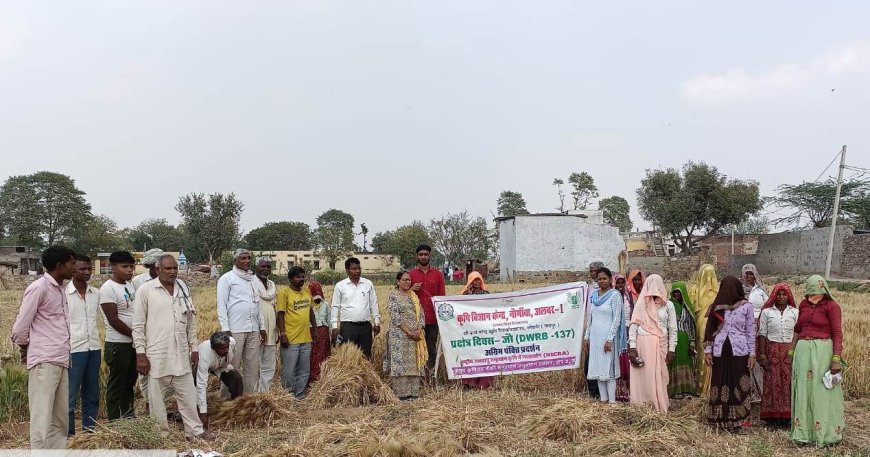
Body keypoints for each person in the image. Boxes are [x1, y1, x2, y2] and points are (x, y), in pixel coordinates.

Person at [11, 245, 76, 449]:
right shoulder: (39, 288)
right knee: (42, 417)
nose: (75, 267)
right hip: (44, 360)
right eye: (72, 263)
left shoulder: (61, 289)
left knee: (60, 419)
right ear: (59, 265)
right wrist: (25, 349)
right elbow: (20, 328)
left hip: (61, 358)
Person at [132, 254, 204, 438]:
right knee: (156, 400)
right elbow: (138, 325)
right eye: (168, 268)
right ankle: (160, 435)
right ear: (158, 270)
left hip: (181, 353)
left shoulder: (183, 288)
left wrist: (194, 347)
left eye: (175, 268)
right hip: (156, 353)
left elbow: (191, 320)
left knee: (188, 396)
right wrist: (140, 354)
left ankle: (194, 432)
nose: (172, 272)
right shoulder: (146, 290)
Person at [790, 275, 845, 446]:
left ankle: (826, 434)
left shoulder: (832, 306)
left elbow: (837, 333)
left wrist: (836, 358)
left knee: (821, 392)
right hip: (803, 354)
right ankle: (803, 433)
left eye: (817, 291)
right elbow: (798, 329)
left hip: (822, 353)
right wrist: (792, 350)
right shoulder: (803, 305)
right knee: (803, 391)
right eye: (811, 291)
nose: (814, 295)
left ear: (824, 290)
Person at [703, 276, 755, 433]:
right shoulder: (717, 307)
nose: (729, 291)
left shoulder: (747, 307)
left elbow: (750, 331)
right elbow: (709, 330)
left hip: (740, 351)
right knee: (719, 382)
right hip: (719, 350)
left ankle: (740, 422)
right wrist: (708, 351)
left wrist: (752, 354)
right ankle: (720, 420)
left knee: (739, 383)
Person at [217, 249, 267, 394]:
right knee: (231, 367)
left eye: (249, 258)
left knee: (252, 367)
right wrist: (225, 328)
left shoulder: (253, 280)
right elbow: (221, 305)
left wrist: (262, 326)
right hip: (235, 329)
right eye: (243, 258)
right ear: (235, 260)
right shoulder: (227, 279)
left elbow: (258, 305)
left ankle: (246, 400)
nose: (247, 261)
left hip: (253, 328)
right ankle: (226, 402)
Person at [99, 250, 140, 420]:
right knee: (117, 385)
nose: (129, 270)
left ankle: (129, 419)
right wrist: (134, 335)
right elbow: (113, 320)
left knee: (129, 384)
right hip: (118, 344)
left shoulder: (129, 286)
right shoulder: (108, 288)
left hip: (132, 343)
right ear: (113, 267)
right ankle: (115, 422)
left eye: (131, 266)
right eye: (125, 267)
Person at [629, 274, 677, 413]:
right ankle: (642, 407)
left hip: (661, 344)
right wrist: (632, 348)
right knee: (643, 376)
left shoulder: (669, 305)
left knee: (660, 376)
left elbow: (673, 329)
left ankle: (659, 406)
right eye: (652, 285)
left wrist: (672, 349)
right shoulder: (641, 304)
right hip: (643, 344)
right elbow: (633, 327)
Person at [67, 254, 101, 436]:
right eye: (83, 269)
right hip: (73, 350)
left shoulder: (96, 294)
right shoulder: (65, 294)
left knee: (92, 394)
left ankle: (89, 433)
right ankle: (69, 435)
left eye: (89, 269)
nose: (87, 272)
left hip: (94, 348)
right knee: (69, 396)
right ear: (73, 270)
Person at [757, 283, 798, 427]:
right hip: (772, 350)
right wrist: (762, 355)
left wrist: (795, 351)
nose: (781, 297)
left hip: (789, 351)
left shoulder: (794, 312)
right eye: (778, 294)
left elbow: (797, 334)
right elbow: (762, 333)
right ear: (774, 296)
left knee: (788, 383)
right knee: (772, 383)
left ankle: (787, 417)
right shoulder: (767, 312)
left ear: (788, 296)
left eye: (784, 294)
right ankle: (772, 417)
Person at [384, 271, 428, 400]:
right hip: (399, 336)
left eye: (409, 280)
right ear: (398, 282)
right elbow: (395, 317)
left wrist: (418, 330)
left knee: (414, 364)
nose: (408, 282)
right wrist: (409, 332)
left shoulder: (413, 296)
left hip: (415, 336)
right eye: (404, 280)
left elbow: (421, 314)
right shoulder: (393, 296)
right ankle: (401, 394)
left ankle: (413, 393)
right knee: (400, 364)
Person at [584, 267, 624, 404]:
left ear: (610, 279)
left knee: (609, 370)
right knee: (598, 369)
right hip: (595, 338)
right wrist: (587, 337)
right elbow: (591, 317)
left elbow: (616, 318)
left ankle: (612, 402)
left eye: (604, 278)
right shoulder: (594, 296)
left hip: (608, 338)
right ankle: (603, 400)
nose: (602, 281)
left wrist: (610, 338)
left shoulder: (615, 295)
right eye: (599, 279)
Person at [277, 266, 317, 398]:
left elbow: (311, 311)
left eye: (302, 276)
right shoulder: (284, 293)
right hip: (290, 339)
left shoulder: (307, 292)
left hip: (306, 338)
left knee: (304, 370)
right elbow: (280, 314)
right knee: (289, 371)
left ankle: (299, 396)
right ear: (290, 279)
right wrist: (282, 334)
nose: (301, 279)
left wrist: (315, 329)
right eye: (297, 277)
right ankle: (287, 397)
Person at [132, 248, 163, 414]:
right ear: (150, 266)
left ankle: (158, 405)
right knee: (144, 374)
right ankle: (148, 403)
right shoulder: (138, 282)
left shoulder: (172, 282)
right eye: (155, 266)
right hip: (144, 334)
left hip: (161, 334)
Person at [331, 258, 380, 359]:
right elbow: (335, 306)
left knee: (366, 356)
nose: (357, 271)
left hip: (365, 327)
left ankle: (365, 375)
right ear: (347, 270)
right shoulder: (340, 286)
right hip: (347, 327)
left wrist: (377, 322)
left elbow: (373, 304)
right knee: (348, 356)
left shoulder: (368, 284)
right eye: (354, 269)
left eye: (359, 268)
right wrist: (335, 326)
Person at [409, 244, 446, 375]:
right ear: (417, 256)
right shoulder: (410, 275)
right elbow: (402, 294)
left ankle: (431, 374)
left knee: (431, 347)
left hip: (432, 319)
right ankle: (417, 374)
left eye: (426, 254)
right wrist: (411, 289)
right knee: (416, 347)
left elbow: (442, 298)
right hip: (415, 319)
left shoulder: (438, 275)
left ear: (430, 255)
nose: (423, 257)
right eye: (421, 254)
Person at [195, 332, 243, 430]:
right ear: (214, 348)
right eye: (222, 348)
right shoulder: (205, 355)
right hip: (197, 365)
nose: (226, 350)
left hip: (220, 366)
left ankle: (235, 409)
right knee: (194, 390)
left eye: (227, 347)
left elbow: (228, 354)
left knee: (236, 379)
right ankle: (195, 414)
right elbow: (201, 385)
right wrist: (203, 413)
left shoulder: (232, 342)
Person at [459, 271, 495, 389]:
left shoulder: (487, 294)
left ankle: (484, 383)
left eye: (479, 279)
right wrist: (466, 291)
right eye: (474, 280)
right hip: (470, 331)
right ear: (470, 281)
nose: (477, 282)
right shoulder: (465, 296)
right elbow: (459, 308)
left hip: (484, 330)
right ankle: (469, 382)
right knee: (470, 355)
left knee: (484, 355)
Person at [690, 264, 719, 396]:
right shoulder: (694, 291)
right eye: (705, 274)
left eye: (710, 274)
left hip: (713, 326)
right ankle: (701, 387)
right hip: (699, 326)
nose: (708, 279)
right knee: (701, 354)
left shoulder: (717, 292)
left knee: (710, 354)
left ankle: (709, 387)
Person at [742, 263, 768, 404]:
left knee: (759, 356)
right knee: (747, 357)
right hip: (744, 327)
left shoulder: (761, 290)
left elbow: (768, 306)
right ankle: (749, 391)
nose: (749, 276)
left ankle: (762, 392)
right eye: (746, 274)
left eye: (751, 273)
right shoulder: (739, 290)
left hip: (760, 326)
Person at [668, 281, 699, 399]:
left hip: (685, 340)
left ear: (683, 293)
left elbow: (691, 325)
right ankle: (674, 391)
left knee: (686, 363)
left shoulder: (687, 307)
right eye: (674, 292)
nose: (676, 295)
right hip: (673, 340)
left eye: (679, 292)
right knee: (673, 362)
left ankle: (687, 390)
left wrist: (692, 343)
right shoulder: (668, 305)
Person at [254, 257, 278, 392]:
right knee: (253, 363)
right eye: (263, 266)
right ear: (256, 267)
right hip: (256, 329)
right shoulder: (251, 283)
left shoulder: (272, 285)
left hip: (272, 329)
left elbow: (275, 307)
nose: (266, 269)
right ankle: (251, 394)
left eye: (268, 267)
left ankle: (264, 393)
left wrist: (278, 330)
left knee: (269, 364)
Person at [583, 261, 605, 398]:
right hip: (590, 329)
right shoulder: (587, 288)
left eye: (595, 271)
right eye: (591, 271)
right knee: (589, 360)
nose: (593, 274)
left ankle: (602, 390)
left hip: (603, 329)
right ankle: (592, 390)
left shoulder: (608, 290)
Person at [308, 281, 331, 386]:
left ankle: (319, 378)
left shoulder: (325, 304)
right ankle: (314, 379)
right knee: (314, 355)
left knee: (320, 355)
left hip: (321, 332)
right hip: (314, 331)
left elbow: (329, 320)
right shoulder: (308, 303)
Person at [613, 274, 632, 403]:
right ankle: (617, 392)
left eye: (622, 283)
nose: (620, 285)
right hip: (615, 332)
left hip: (628, 331)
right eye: (618, 283)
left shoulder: (628, 297)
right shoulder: (612, 297)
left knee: (626, 360)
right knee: (617, 360)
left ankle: (628, 391)